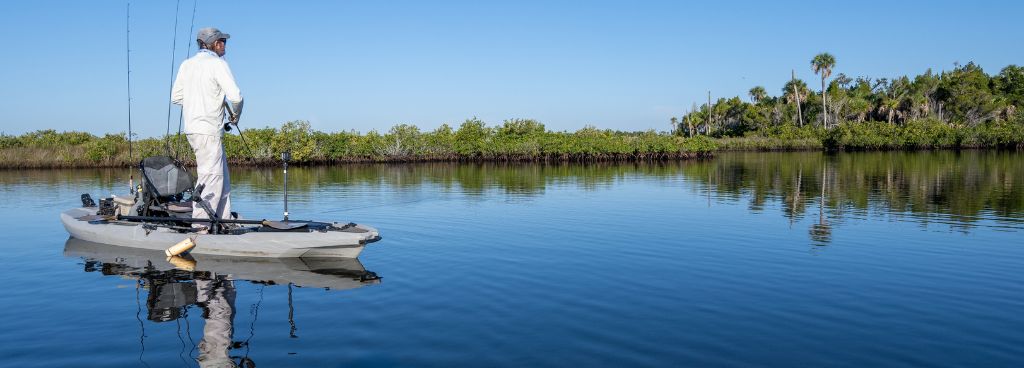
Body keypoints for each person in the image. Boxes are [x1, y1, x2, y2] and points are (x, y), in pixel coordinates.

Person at [171, 27, 243, 231]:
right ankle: (200, 227)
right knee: (210, 179)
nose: (224, 45)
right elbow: (237, 97)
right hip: (208, 130)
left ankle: (223, 221)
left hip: (193, 130)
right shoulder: (218, 64)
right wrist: (235, 116)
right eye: (222, 41)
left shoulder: (187, 65)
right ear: (213, 43)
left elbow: (176, 97)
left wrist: (200, 99)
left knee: (223, 180)